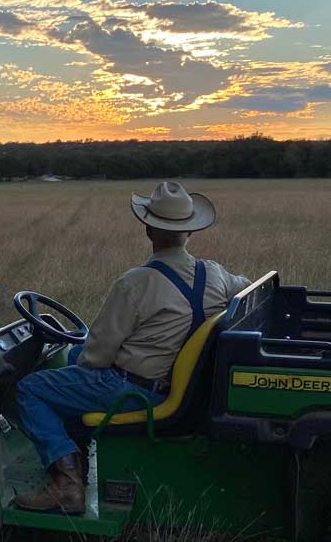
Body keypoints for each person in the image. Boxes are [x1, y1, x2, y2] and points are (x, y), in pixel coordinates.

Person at [14, 181, 251, 514]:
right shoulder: (215, 274)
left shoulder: (134, 283)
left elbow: (96, 358)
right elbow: (248, 291)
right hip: (176, 389)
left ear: (148, 229)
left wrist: (79, 356)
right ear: (190, 232)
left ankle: (66, 484)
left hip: (133, 391)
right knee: (71, 367)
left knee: (32, 388)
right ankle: (73, 464)